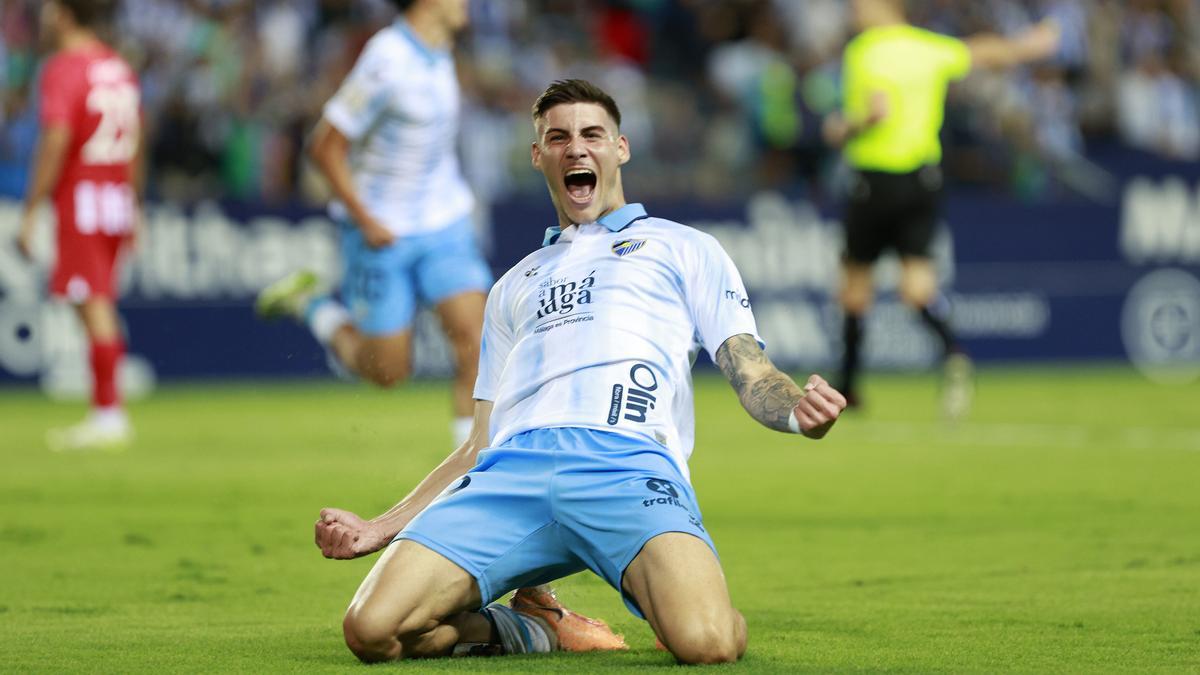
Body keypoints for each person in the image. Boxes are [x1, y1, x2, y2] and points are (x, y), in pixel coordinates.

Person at [313, 79, 848, 664]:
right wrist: (379, 527)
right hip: (509, 477)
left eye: (591, 134)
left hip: (625, 467)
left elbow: (752, 372)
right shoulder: (510, 286)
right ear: (538, 156)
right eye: (557, 137)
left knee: (708, 642)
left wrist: (797, 413)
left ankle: (673, 597)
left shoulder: (683, 247)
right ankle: (529, 628)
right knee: (373, 630)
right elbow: (477, 444)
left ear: (620, 148)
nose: (576, 148)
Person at [256, 0, 491, 447]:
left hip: (445, 223)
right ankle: (311, 305)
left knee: (476, 344)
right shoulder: (387, 60)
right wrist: (366, 219)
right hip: (383, 233)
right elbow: (324, 146)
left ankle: (470, 472)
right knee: (388, 372)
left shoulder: (440, 48)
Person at [823, 0, 1061, 417]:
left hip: (874, 181)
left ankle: (848, 388)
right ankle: (953, 353)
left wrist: (846, 126)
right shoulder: (928, 48)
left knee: (854, 290)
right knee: (918, 289)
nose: (853, 10)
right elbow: (982, 52)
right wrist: (1028, 46)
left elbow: (868, 115)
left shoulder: (863, 52)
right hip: (922, 181)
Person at [16, 0, 142, 452]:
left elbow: (56, 136)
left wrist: (31, 208)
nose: (45, 17)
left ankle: (109, 414)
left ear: (65, 14)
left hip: (83, 198)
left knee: (93, 302)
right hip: (116, 198)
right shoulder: (118, 67)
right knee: (93, 302)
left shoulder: (63, 67)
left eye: (50, 9)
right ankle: (109, 405)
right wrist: (136, 204)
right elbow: (136, 141)